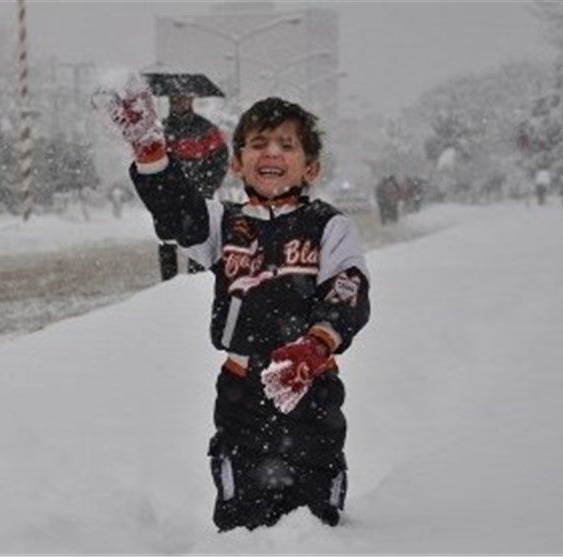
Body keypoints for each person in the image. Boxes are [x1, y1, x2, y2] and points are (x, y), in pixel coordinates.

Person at [108, 92, 371, 531]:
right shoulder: (223, 223)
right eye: (259, 143)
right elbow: (179, 213)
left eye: (287, 145)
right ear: (237, 162)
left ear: (311, 167)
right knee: (242, 507)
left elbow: (349, 288)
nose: (272, 152)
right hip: (241, 391)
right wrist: (153, 156)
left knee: (314, 514)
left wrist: (317, 342)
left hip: (311, 387)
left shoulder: (328, 225)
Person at [158, 93, 229, 278]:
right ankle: (168, 285)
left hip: (198, 193)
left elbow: (220, 158)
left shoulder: (206, 129)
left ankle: (196, 281)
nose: (179, 102)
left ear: (191, 100)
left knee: (198, 238)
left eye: (183, 98)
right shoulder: (160, 129)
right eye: (175, 99)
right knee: (167, 240)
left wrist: (207, 185)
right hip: (167, 194)